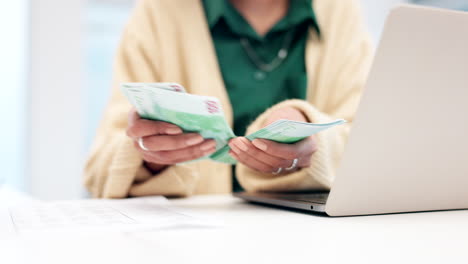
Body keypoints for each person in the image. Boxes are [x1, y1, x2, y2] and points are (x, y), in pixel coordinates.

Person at [84, 0, 373, 198]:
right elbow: (98, 173)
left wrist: (314, 140)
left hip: (310, 240)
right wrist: (150, 159)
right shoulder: (160, 12)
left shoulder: (338, 11)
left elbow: (374, 149)